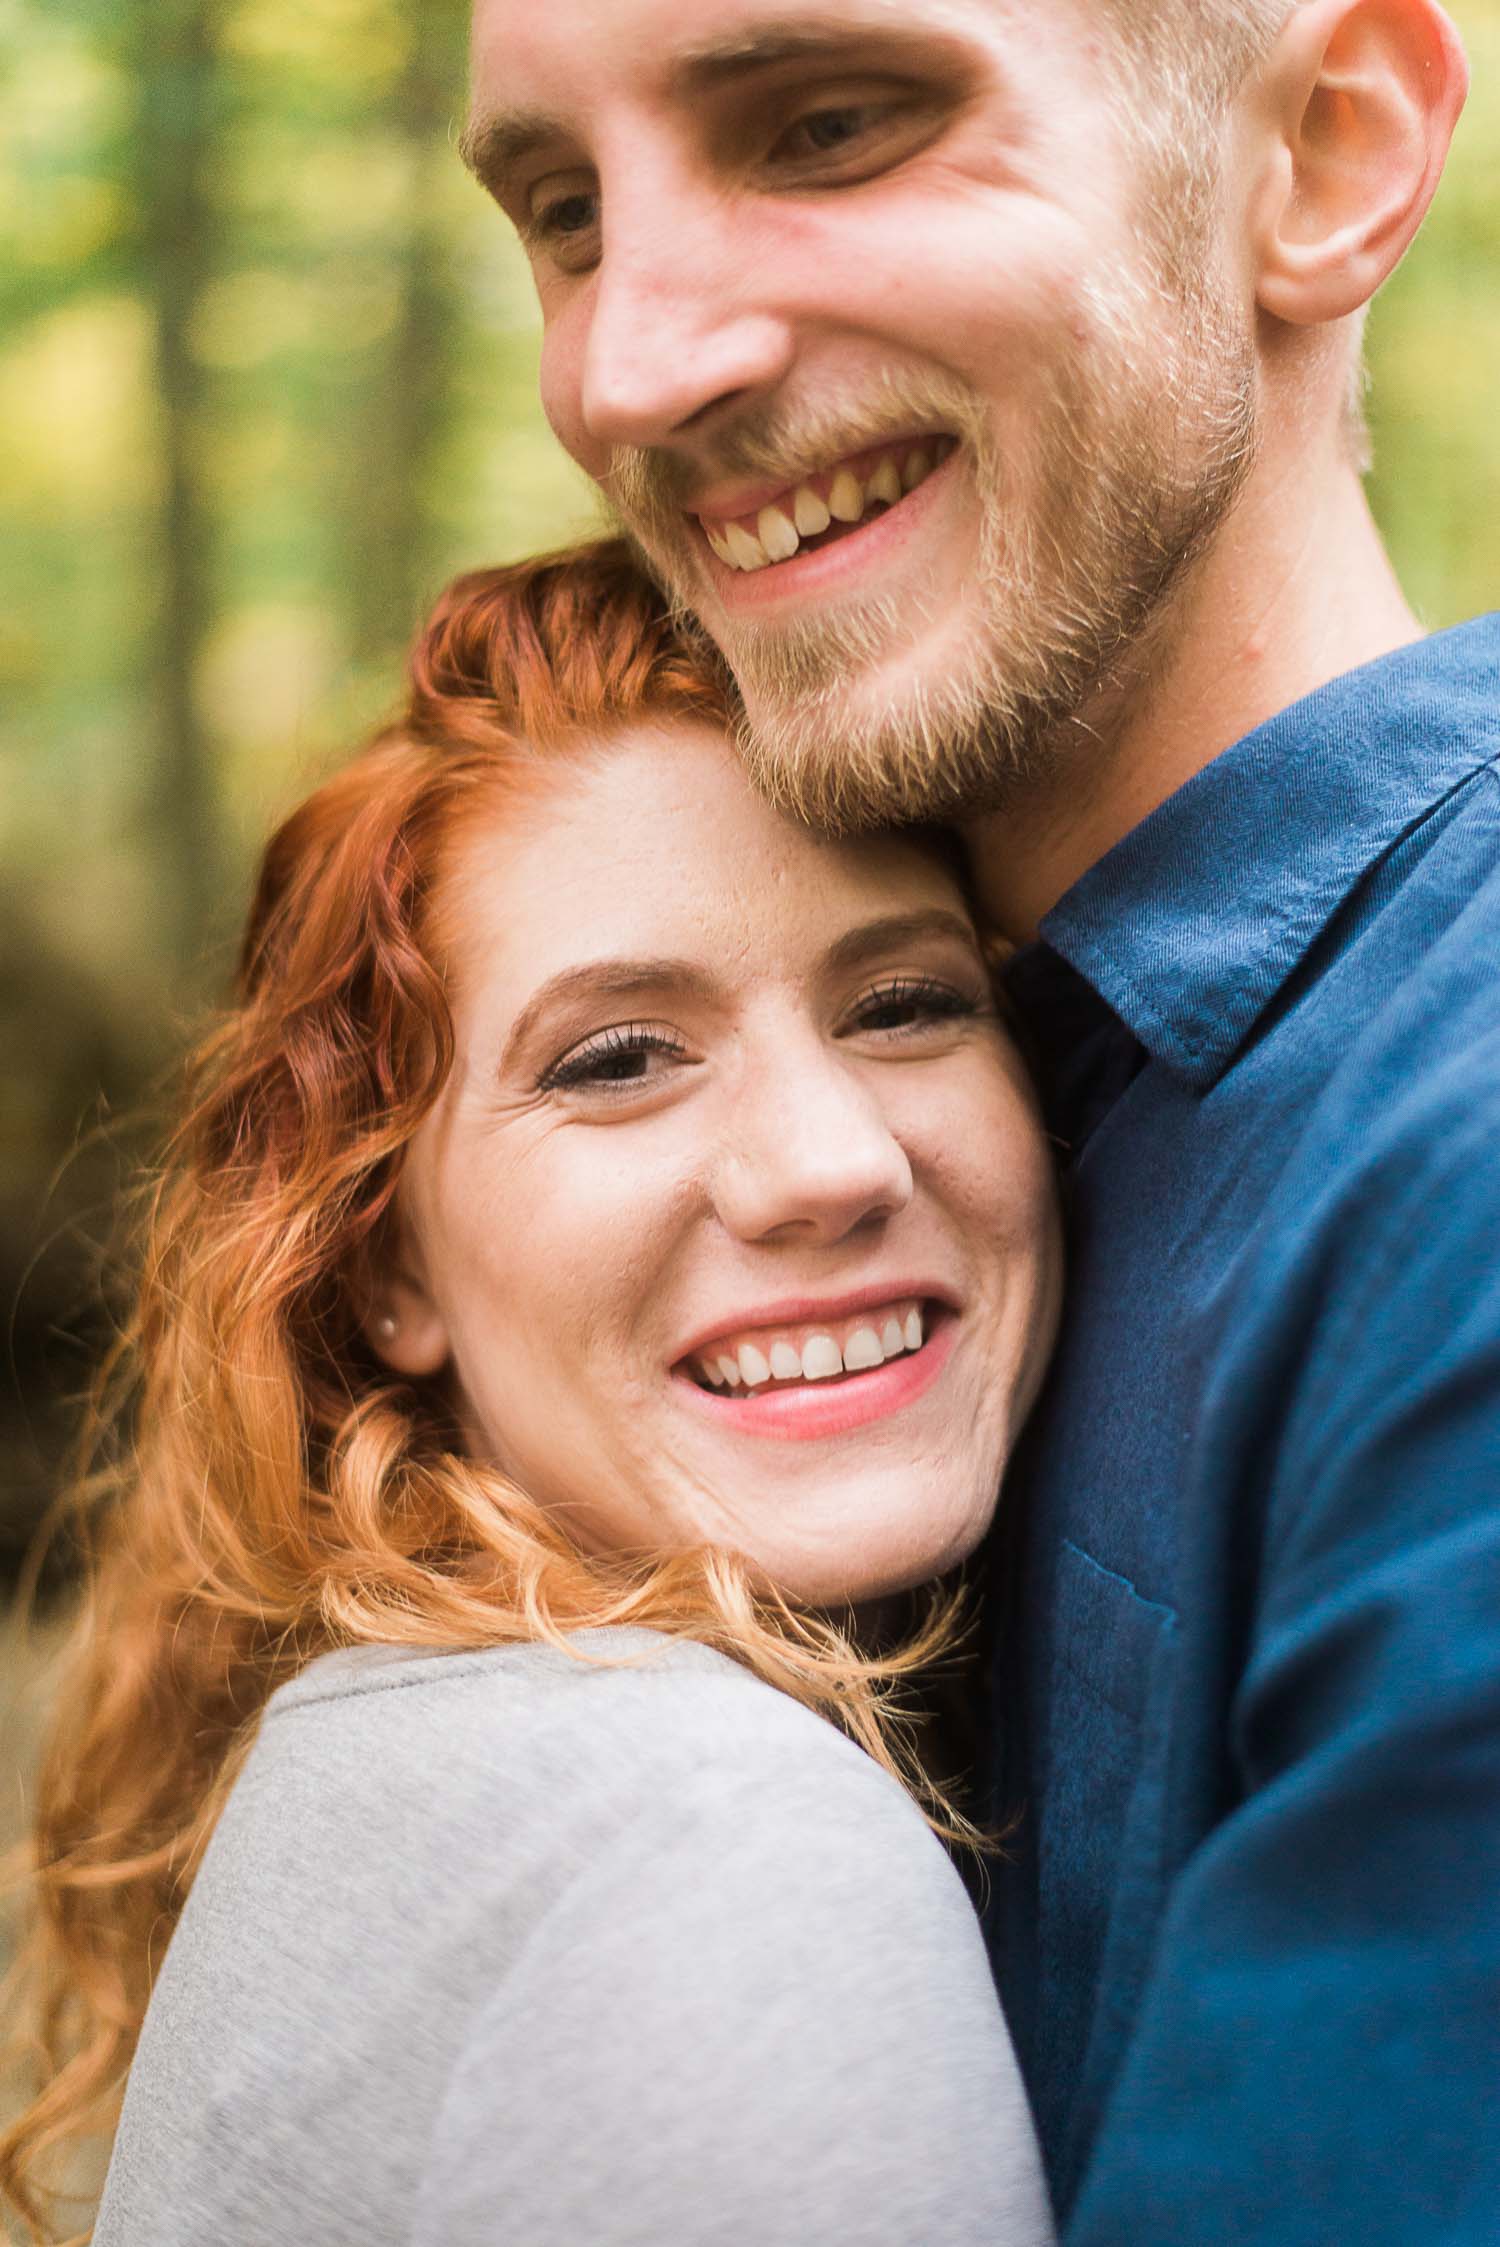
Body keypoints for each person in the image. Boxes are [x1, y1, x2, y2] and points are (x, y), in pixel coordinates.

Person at [460, 0, 1500, 2238]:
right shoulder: (954, 1149)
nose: (627, 372)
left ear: (1322, 156)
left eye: (831, 124)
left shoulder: (1457, 1160)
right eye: (562, 211)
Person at [0, 544, 1061, 2247]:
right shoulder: (717, 1853)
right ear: (382, 1266)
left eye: (908, 1002)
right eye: (619, 1059)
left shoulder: (405, 1731)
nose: (830, 1159)